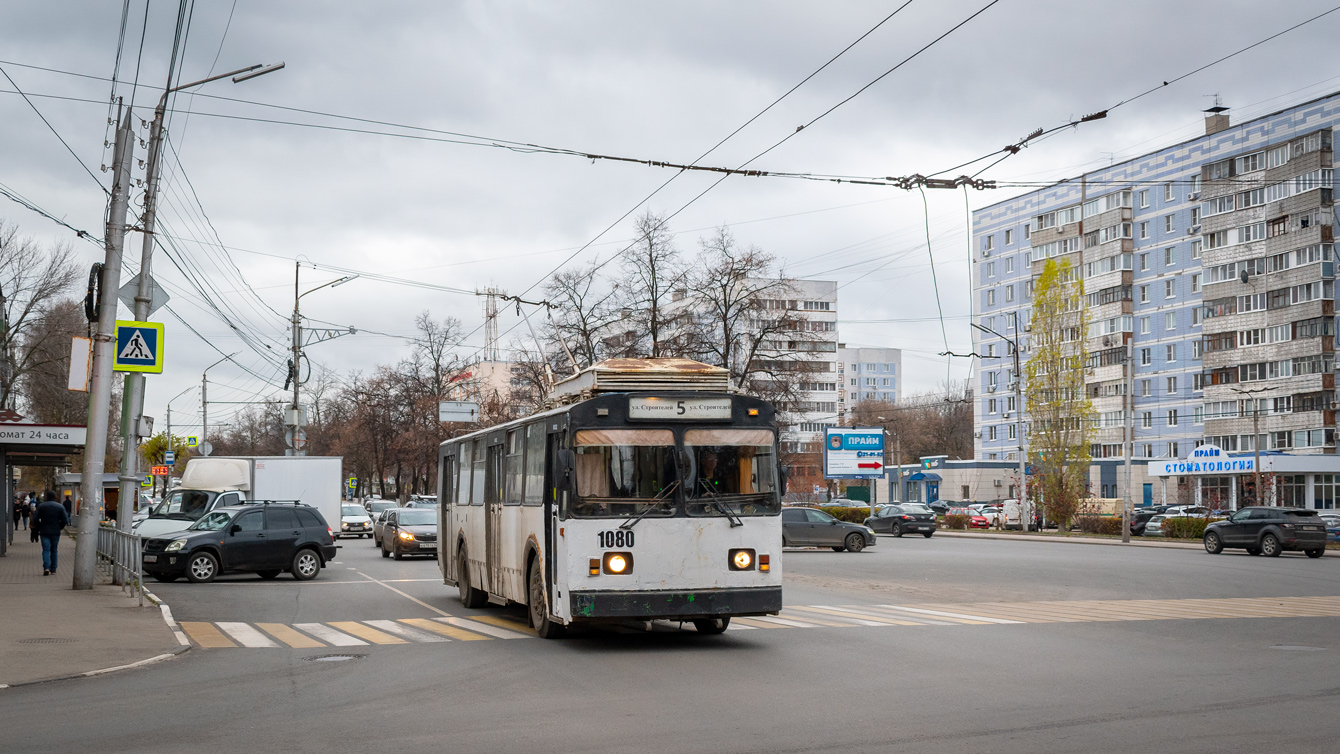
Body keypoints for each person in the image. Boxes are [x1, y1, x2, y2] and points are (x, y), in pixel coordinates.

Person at [33, 490, 69, 576]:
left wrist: (39, 527)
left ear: (46, 497)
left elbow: (35, 519)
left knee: (45, 549)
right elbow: (65, 520)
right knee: (54, 550)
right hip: (55, 530)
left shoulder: (41, 506)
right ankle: (53, 569)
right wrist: (59, 527)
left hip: (44, 530)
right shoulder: (60, 507)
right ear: (55, 497)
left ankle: (46, 567)